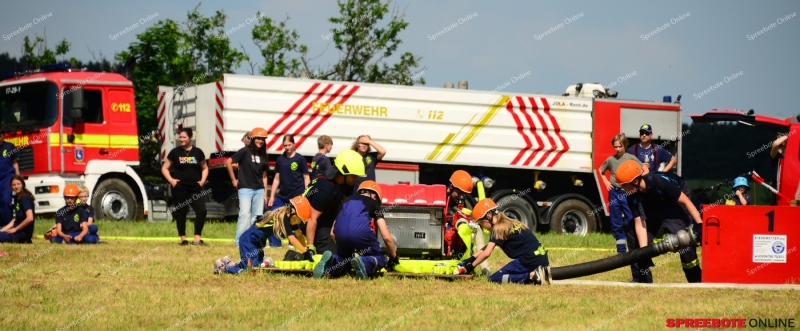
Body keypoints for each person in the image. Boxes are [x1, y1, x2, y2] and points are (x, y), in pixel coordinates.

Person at [615, 160, 702, 283]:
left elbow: (686, 202)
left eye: (624, 185)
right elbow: (640, 223)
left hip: (674, 202)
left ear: (634, 182)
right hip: (654, 204)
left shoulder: (658, 182)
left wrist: (700, 225)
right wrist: (643, 252)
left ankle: (696, 279)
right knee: (632, 232)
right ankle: (642, 279)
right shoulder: (632, 195)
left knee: (684, 237)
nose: (623, 189)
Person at [314, 180, 399, 279]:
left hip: (340, 233)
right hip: (360, 232)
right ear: (375, 196)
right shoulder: (373, 203)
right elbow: (386, 236)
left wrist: (344, 244)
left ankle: (331, 261)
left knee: (346, 259)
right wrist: (393, 257)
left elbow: (332, 232)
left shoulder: (346, 201)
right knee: (380, 257)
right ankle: (364, 263)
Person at [457, 198, 551, 285]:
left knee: (495, 278)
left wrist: (470, 267)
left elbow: (486, 253)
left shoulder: (497, 229)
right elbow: (488, 247)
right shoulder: (509, 222)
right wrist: (470, 260)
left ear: (488, 217)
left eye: (481, 223)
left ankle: (531, 276)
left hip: (529, 260)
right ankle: (537, 274)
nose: (482, 226)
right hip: (542, 259)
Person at [214, 196, 313, 275]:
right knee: (250, 270)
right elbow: (292, 238)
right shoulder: (284, 218)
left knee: (256, 267)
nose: (299, 222)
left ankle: (229, 263)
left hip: (257, 244)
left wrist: (306, 249)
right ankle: (222, 268)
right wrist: (305, 252)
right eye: (299, 219)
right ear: (293, 212)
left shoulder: (291, 219)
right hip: (249, 241)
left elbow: (299, 236)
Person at [598, 133, 647, 281]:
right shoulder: (611, 160)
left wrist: (636, 184)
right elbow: (600, 170)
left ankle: (636, 246)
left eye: (620, 146)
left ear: (625, 146)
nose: (617, 149)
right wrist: (606, 182)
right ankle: (621, 251)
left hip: (627, 192)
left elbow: (643, 168)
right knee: (616, 221)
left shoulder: (631, 158)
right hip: (614, 193)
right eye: (615, 146)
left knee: (632, 219)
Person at [304, 149, 366, 256]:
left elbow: (344, 206)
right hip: (312, 223)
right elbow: (312, 218)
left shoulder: (348, 184)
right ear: (343, 173)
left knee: (347, 254)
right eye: (353, 175)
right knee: (334, 257)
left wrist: (337, 225)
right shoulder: (325, 188)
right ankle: (297, 256)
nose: (356, 178)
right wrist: (310, 248)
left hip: (328, 220)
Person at [162, 128, 209, 246]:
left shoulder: (198, 152)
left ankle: (197, 239)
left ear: (190, 138)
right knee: (181, 212)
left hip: (195, 188)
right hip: (180, 188)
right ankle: (183, 239)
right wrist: (171, 180)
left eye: (184, 137)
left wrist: (202, 181)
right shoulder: (175, 152)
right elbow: (164, 168)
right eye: (180, 137)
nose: (181, 139)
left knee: (202, 211)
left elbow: (205, 168)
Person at [226, 127, 270, 247]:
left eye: (263, 139)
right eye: (258, 138)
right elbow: (228, 162)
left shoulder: (264, 155)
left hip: (259, 189)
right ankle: (239, 241)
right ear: (253, 138)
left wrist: (265, 194)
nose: (260, 141)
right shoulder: (244, 151)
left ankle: (255, 241)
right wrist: (233, 180)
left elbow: (265, 176)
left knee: (257, 217)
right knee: (245, 214)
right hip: (245, 188)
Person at [267, 135, 310, 246]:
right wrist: (272, 196)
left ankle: (294, 243)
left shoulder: (300, 159)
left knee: (295, 219)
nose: (287, 147)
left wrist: (306, 195)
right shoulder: (280, 160)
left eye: (289, 145)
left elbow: (306, 177)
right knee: (272, 216)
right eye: (285, 145)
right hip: (282, 195)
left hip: (297, 196)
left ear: (294, 144)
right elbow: (277, 179)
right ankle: (275, 244)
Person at [0, 175, 35, 243]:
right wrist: (2, 230)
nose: (16, 186)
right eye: (14, 185)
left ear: (22, 184)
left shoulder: (24, 198)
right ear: (11, 187)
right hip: (18, 231)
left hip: (22, 234)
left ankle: (25, 241)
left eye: (18, 184)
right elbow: (16, 219)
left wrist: (16, 229)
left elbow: (30, 218)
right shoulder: (17, 198)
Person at [0, 126, 20, 228]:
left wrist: (18, 179)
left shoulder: (9, 147)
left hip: (7, 177)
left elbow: (14, 163)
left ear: (3, 136)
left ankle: (7, 224)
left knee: (6, 200)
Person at [770, 133, 788, 205]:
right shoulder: (775, 153)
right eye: (779, 138)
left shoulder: (788, 153)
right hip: (778, 185)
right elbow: (776, 144)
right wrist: (790, 135)